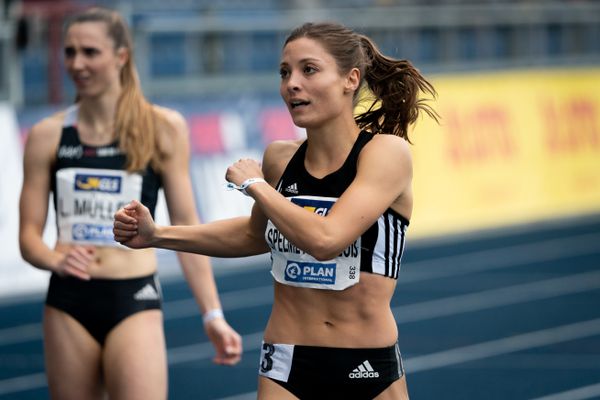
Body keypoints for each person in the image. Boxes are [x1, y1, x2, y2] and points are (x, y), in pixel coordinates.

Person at [114, 21, 438, 400]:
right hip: (285, 363)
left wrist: (258, 187)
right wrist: (158, 236)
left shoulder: (385, 154)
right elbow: (255, 235)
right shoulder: (281, 158)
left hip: (366, 364)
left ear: (350, 79)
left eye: (309, 70)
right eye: (285, 72)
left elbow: (327, 239)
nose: (292, 84)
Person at [18, 7, 242, 400]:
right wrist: (55, 261)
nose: (77, 63)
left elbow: (186, 227)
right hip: (68, 301)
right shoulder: (46, 135)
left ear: (121, 56)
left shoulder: (163, 128)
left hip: (133, 297)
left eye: (90, 52)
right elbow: (28, 236)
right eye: (69, 53)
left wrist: (213, 315)